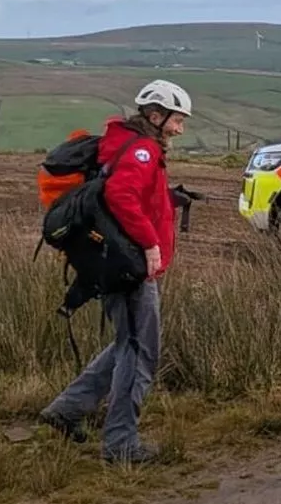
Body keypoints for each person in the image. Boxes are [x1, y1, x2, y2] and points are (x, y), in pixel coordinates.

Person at [38, 79, 192, 464]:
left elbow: (128, 192)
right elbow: (120, 195)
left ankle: (67, 409)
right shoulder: (141, 149)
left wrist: (166, 198)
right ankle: (121, 443)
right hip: (129, 265)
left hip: (113, 259)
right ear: (155, 117)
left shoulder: (127, 143)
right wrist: (151, 244)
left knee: (127, 343)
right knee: (140, 352)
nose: (180, 129)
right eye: (176, 120)